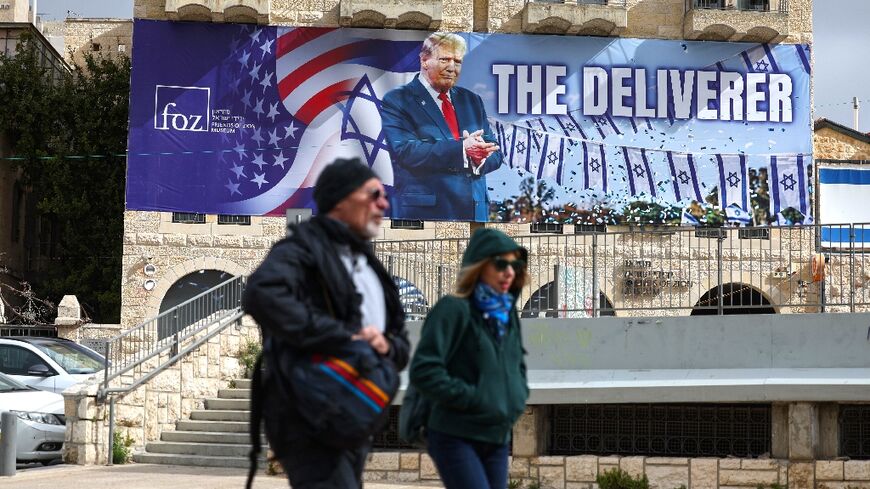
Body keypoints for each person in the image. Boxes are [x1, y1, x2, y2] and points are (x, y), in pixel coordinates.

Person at [242, 157, 410, 489]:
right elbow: (263, 294)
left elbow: (399, 340)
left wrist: (385, 345)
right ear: (343, 198)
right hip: (306, 411)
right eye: (374, 193)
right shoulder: (302, 248)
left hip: (353, 411)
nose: (383, 202)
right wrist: (343, 337)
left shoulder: (371, 266)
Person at [409, 228, 529, 489]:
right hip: (455, 433)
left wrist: (517, 397)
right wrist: (473, 398)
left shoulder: (507, 316)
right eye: (500, 264)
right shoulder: (453, 309)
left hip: (496, 435)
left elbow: (516, 365)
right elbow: (424, 370)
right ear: (479, 265)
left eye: (515, 265)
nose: (509, 272)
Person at [381, 32, 502, 222]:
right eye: (445, 59)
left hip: (474, 213)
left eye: (458, 61)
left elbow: (495, 151)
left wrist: (480, 157)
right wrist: (462, 148)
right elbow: (404, 151)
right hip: (425, 215)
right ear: (424, 60)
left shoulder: (471, 100)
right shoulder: (398, 100)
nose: (452, 68)